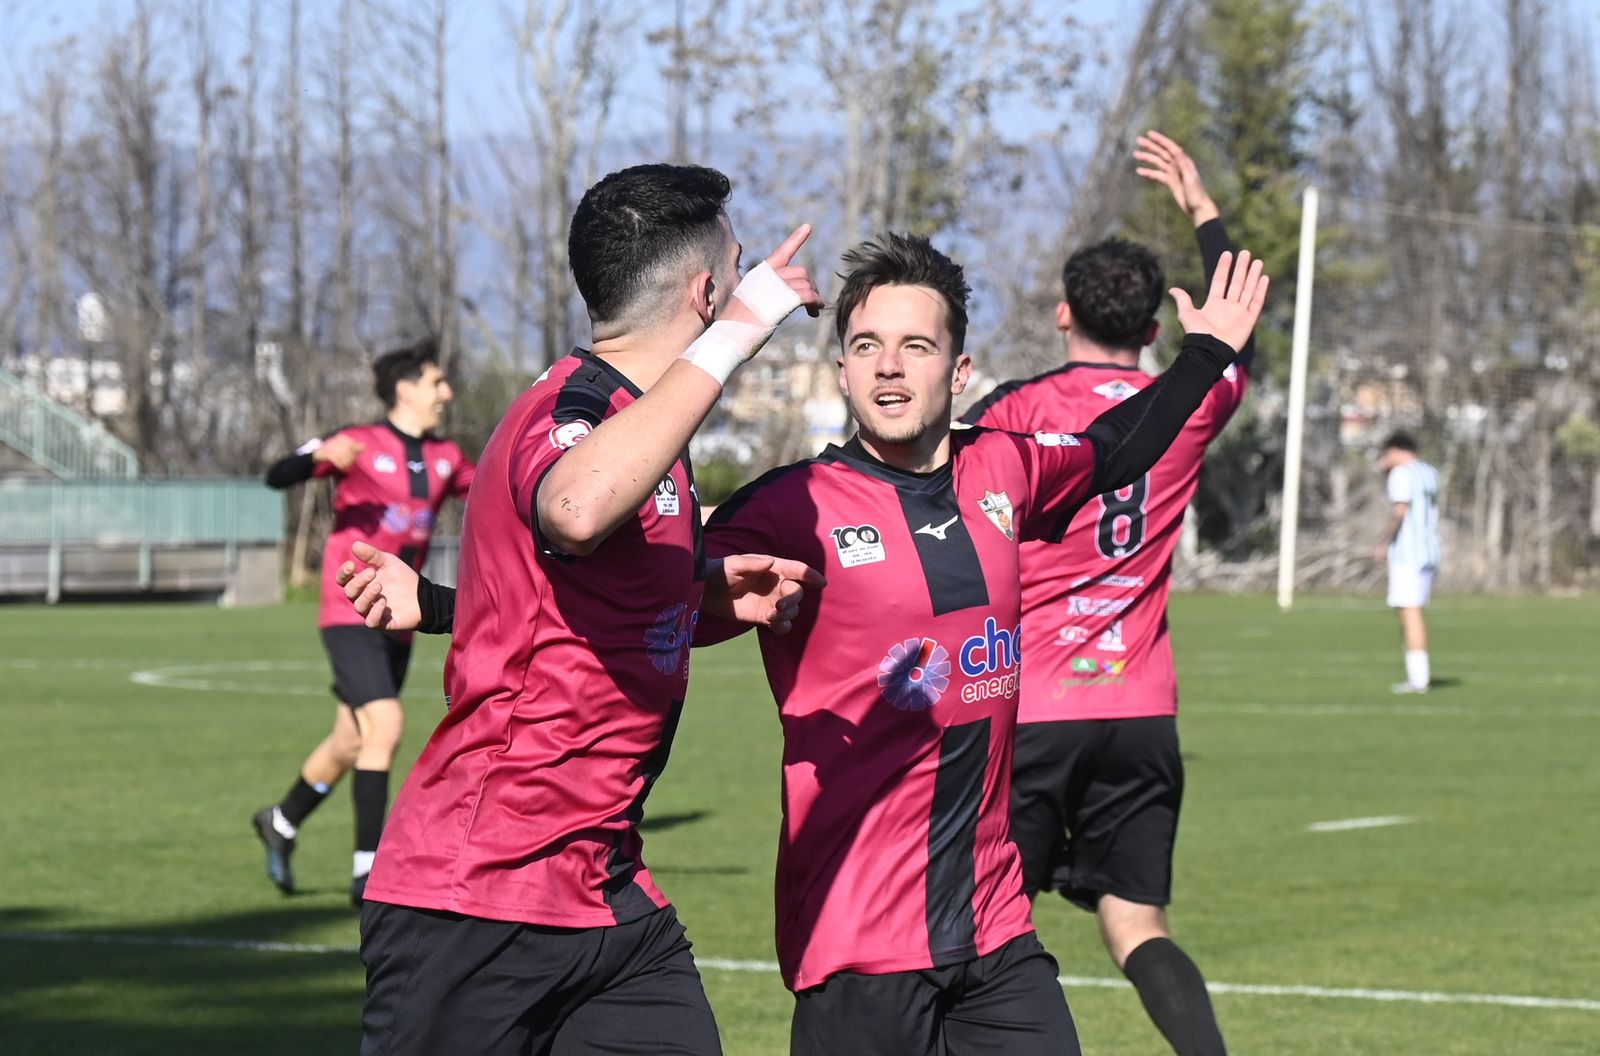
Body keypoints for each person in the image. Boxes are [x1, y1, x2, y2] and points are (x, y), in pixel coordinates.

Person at [341, 230, 1269, 1055]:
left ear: (961, 370)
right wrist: (441, 604)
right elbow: (616, 598)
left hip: (997, 933)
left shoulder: (1006, 467)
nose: (890, 368)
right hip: (858, 943)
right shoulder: (793, 507)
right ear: (840, 373)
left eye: (916, 346)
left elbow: (1116, 446)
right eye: (865, 346)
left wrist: (1209, 353)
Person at [355, 163, 824, 1056]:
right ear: (706, 294)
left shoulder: (641, 427)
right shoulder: (577, 408)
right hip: (478, 894)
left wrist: (699, 591)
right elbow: (573, 509)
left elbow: (558, 607)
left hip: (606, 896)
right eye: (737, 272)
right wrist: (738, 336)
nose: (744, 287)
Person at [958, 131, 1249, 1056]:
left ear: (1061, 313)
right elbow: (1236, 328)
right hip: (1140, 707)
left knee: (982, 922)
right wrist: (1203, 209)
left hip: (1034, 708)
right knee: (1136, 922)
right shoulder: (1191, 403)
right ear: (1156, 330)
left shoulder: (1016, 411)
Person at [252, 340, 474, 906]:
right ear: (405, 389)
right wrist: (317, 456)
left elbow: (501, 492)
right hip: (348, 607)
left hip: (399, 618)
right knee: (388, 724)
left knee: (353, 739)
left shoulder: (447, 457)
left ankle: (281, 820)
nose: (447, 393)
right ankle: (368, 869)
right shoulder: (358, 441)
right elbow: (276, 476)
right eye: (437, 382)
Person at [1375, 431, 1441, 694]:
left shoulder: (1401, 474)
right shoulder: (1429, 472)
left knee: (1409, 612)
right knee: (1413, 610)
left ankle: (1418, 678)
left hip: (1408, 552)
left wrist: (1383, 542)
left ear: (1395, 449)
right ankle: (1417, 675)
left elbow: (1400, 512)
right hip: (1430, 549)